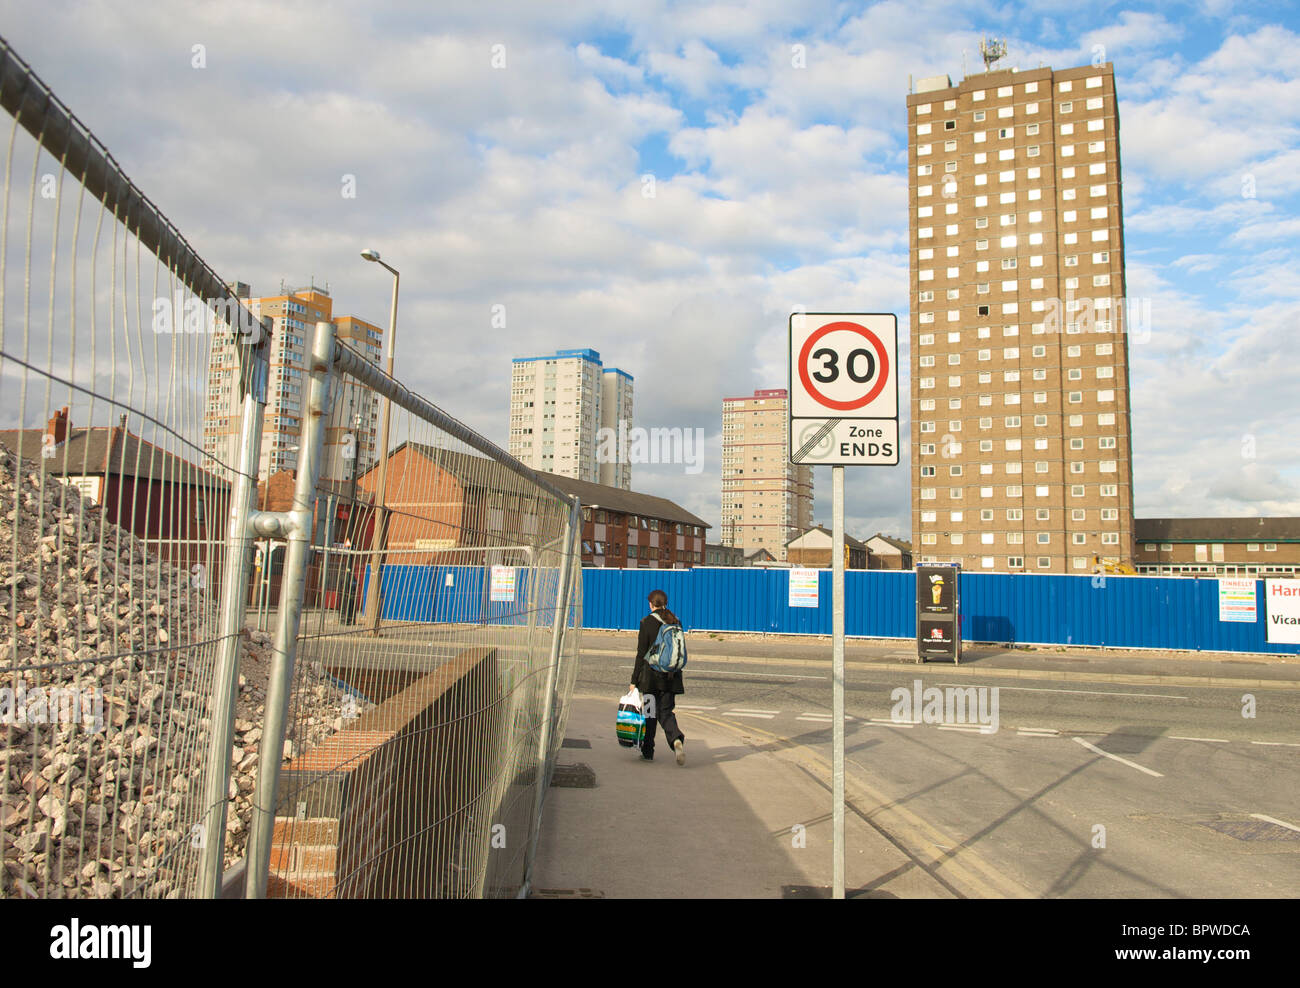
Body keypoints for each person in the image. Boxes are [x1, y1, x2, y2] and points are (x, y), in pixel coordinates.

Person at [629, 589, 686, 765]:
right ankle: (675, 738)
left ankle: (648, 751)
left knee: (650, 713)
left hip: (650, 677)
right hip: (671, 675)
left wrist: (633, 680)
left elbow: (641, 653)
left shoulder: (646, 622)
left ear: (651, 604)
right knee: (666, 711)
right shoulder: (675, 621)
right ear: (665, 603)